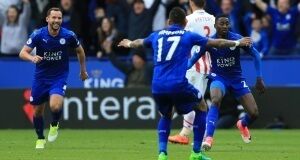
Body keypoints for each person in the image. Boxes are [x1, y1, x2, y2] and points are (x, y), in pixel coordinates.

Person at [118, 7, 252, 160]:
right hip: (177, 83)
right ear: (185, 22)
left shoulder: (157, 35)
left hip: (157, 85)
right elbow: (217, 43)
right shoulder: (187, 36)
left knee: (166, 115)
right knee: (202, 106)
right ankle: (196, 153)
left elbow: (140, 42)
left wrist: (128, 44)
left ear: (168, 22)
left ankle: (162, 154)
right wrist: (237, 42)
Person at [189, 14, 265, 151]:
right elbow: (194, 58)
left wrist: (259, 78)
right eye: (221, 24)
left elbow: (256, 55)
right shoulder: (209, 41)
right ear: (215, 26)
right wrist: (182, 68)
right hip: (218, 77)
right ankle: (208, 138)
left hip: (236, 78)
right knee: (216, 99)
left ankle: (242, 124)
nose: (224, 26)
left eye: (226, 24)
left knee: (254, 113)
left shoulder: (236, 38)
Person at [19, 7, 88, 149]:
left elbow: (80, 51)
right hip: (41, 77)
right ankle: (40, 138)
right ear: (47, 19)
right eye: (54, 18)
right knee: (38, 111)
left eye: (59, 18)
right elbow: (22, 52)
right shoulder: (38, 34)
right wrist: (32, 57)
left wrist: (83, 70)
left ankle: (55, 124)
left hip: (59, 76)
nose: (57, 20)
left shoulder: (68, 35)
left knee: (55, 106)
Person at [168, 0, 216, 145]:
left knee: (191, 100)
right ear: (204, 3)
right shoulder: (213, 18)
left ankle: (195, 135)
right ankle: (194, 135)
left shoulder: (188, 20)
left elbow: (180, 41)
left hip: (192, 64)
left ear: (191, 3)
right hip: (208, 64)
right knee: (196, 100)